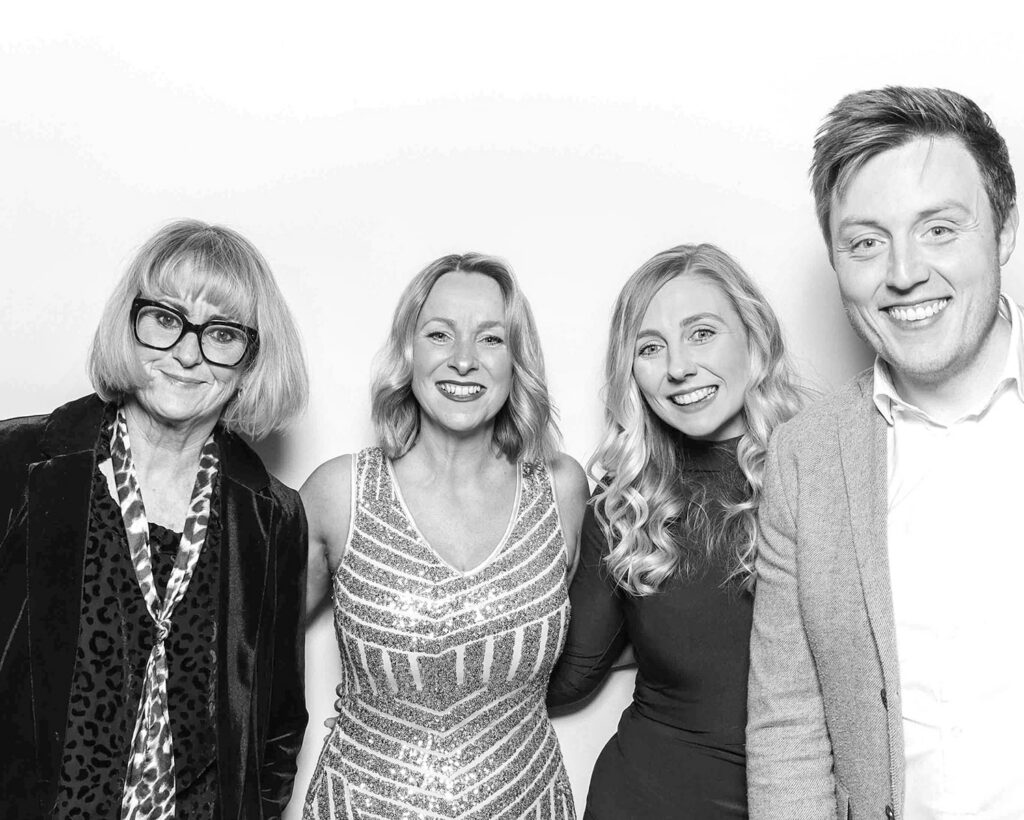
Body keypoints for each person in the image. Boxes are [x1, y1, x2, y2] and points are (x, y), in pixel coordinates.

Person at [747, 86, 1023, 819]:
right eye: (866, 241)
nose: (903, 273)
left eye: (938, 229)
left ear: (1002, 233)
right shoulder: (804, 456)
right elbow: (788, 731)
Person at [0, 220, 310, 819]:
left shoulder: (273, 517)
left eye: (220, 333)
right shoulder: (19, 464)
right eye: (166, 319)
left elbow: (276, 728)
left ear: (252, 357)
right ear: (130, 323)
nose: (188, 354)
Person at [301, 253, 588, 818]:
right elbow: (249, 659)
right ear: (409, 353)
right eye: (439, 335)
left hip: (529, 801)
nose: (463, 361)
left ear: (516, 361)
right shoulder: (340, 494)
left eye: (490, 340)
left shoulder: (560, 489)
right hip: (361, 805)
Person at [547, 244, 805, 819]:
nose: (679, 367)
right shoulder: (625, 505)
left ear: (754, 335)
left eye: (702, 333)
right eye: (651, 347)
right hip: (644, 799)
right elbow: (568, 676)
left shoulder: (829, 470)